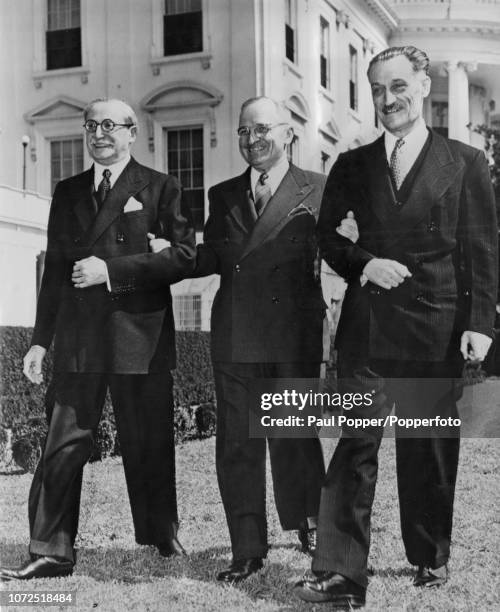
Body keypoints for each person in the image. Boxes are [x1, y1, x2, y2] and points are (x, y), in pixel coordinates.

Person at [295, 46, 498, 607]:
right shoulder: (353, 165)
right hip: (369, 327)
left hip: (437, 324)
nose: (388, 100)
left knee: (427, 447)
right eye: (378, 90)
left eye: (398, 87)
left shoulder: (467, 162)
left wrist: (480, 321)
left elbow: (482, 250)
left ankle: (429, 556)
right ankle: (340, 573)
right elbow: (328, 238)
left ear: (423, 85)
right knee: (355, 445)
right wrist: (365, 264)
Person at [0, 98, 196, 581]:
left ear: (133, 132)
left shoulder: (161, 187)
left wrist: (112, 270)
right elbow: (55, 278)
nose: (99, 133)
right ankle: (50, 548)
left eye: (110, 125)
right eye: (91, 125)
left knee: (148, 441)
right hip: (79, 341)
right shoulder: (67, 193)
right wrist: (40, 342)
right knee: (62, 445)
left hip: (140, 338)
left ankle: (160, 533)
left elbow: (186, 257)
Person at [152, 96, 327, 582]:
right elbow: (216, 256)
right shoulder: (223, 193)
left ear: (288, 132)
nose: (253, 140)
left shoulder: (318, 187)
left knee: (295, 436)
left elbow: (338, 248)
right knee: (237, 444)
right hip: (236, 333)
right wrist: (175, 254)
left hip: (293, 332)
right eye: (244, 132)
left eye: (262, 129)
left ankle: (309, 521)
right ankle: (247, 549)